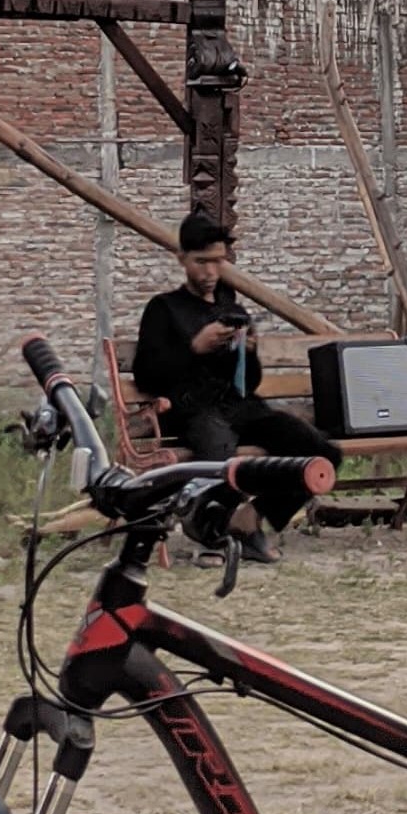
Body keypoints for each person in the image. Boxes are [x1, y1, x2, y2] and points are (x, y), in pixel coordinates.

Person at [133, 212, 341, 562]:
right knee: (218, 451)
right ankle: (210, 530)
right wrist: (194, 348)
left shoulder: (231, 308)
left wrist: (248, 354)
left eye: (217, 262)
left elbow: (249, 384)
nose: (210, 272)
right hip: (189, 411)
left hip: (239, 407)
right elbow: (146, 376)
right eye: (201, 262)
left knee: (322, 453)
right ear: (182, 259)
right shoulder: (164, 309)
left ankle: (249, 519)